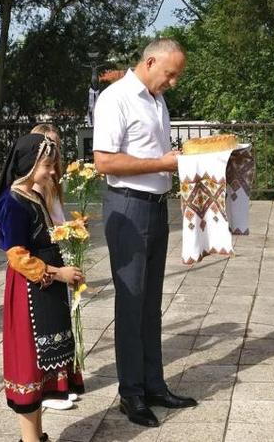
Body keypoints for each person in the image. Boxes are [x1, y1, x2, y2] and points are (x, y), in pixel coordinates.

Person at [92, 37, 197, 428]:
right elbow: (104, 161)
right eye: (170, 74)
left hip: (155, 206)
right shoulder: (115, 98)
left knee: (152, 302)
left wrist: (176, 163)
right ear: (151, 62)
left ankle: (154, 383)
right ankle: (131, 392)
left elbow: (154, 155)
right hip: (128, 206)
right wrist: (163, 163)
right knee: (131, 302)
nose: (173, 82)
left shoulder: (156, 98)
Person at [0, 133, 85, 442]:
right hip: (29, 292)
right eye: (47, 166)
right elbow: (17, 255)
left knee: (46, 369)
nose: (52, 172)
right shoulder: (12, 202)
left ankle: (37, 436)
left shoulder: (34, 195)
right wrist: (58, 273)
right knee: (31, 367)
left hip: (45, 290)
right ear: (29, 165)